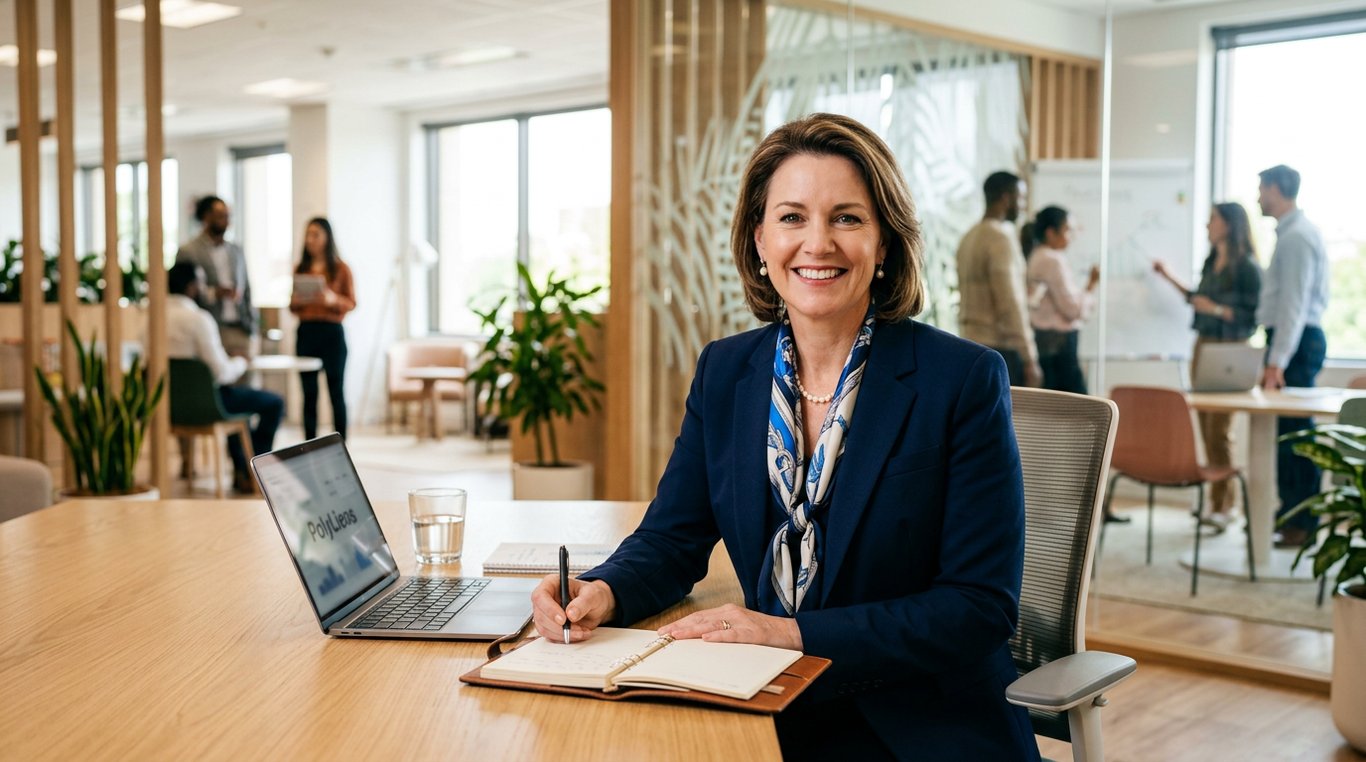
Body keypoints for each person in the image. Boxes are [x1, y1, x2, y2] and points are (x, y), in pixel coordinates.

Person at [530, 114, 1038, 760]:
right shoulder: (726, 371)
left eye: (847, 218)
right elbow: (673, 537)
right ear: (760, 241)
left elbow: (978, 607)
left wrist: (788, 633)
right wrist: (601, 591)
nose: (817, 243)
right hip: (762, 701)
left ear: (884, 245)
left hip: (919, 721)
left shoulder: (960, 380)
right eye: (792, 218)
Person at [1153, 203, 1261, 531]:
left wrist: (1215, 309)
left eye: (1212, 219)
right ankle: (1217, 502)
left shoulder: (1248, 267)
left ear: (1229, 224)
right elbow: (1195, 298)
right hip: (1204, 345)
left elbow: (1251, 318)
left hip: (1231, 348)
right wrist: (1168, 276)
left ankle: (1225, 504)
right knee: (1204, 425)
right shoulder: (1212, 261)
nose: (1207, 224)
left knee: (1220, 430)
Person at [1254, 165, 1329, 548]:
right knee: (1290, 434)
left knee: (1296, 437)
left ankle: (1301, 523)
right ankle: (1292, 518)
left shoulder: (1297, 237)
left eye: (1262, 188)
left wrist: (1276, 361)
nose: (1258, 196)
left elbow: (1293, 306)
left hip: (1295, 344)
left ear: (1277, 189)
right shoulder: (1291, 234)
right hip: (1291, 342)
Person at [166, 261, 282, 494]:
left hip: (170, 407)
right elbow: (222, 373)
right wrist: (240, 361)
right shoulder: (198, 319)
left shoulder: (152, 319)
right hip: (209, 405)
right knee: (273, 403)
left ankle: (243, 470)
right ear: (191, 287)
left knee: (236, 400)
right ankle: (253, 468)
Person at [956, 171, 1041, 387]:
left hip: (968, 345)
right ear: (1006, 198)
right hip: (1000, 350)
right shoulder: (1000, 238)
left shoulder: (969, 237)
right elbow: (1010, 303)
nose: (1023, 206)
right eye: (1021, 198)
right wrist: (1030, 357)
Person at [289, 217, 356, 441]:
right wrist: (297, 299)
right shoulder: (301, 268)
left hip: (332, 334)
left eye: (316, 234)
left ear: (327, 237)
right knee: (309, 394)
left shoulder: (341, 269)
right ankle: (309, 443)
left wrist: (332, 299)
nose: (311, 240)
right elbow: (292, 307)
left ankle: (341, 443)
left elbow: (351, 302)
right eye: (308, 235)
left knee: (336, 392)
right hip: (307, 332)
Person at [1024, 205, 1098, 396]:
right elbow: (1072, 309)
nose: (1071, 237)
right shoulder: (1053, 260)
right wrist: (1090, 286)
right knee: (1080, 408)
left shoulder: (1038, 255)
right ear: (1051, 233)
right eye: (1067, 230)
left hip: (1047, 342)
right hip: (1060, 347)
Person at [175, 196, 256, 357]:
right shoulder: (189, 251)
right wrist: (214, 293)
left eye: (228, 215)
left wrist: (252, 326)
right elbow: (183, 290)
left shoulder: (236, 251)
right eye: (221, 216)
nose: (226, 220)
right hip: (209, 328)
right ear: (206, 217)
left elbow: (246, 288)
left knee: (245, 377)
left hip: (239, 328)